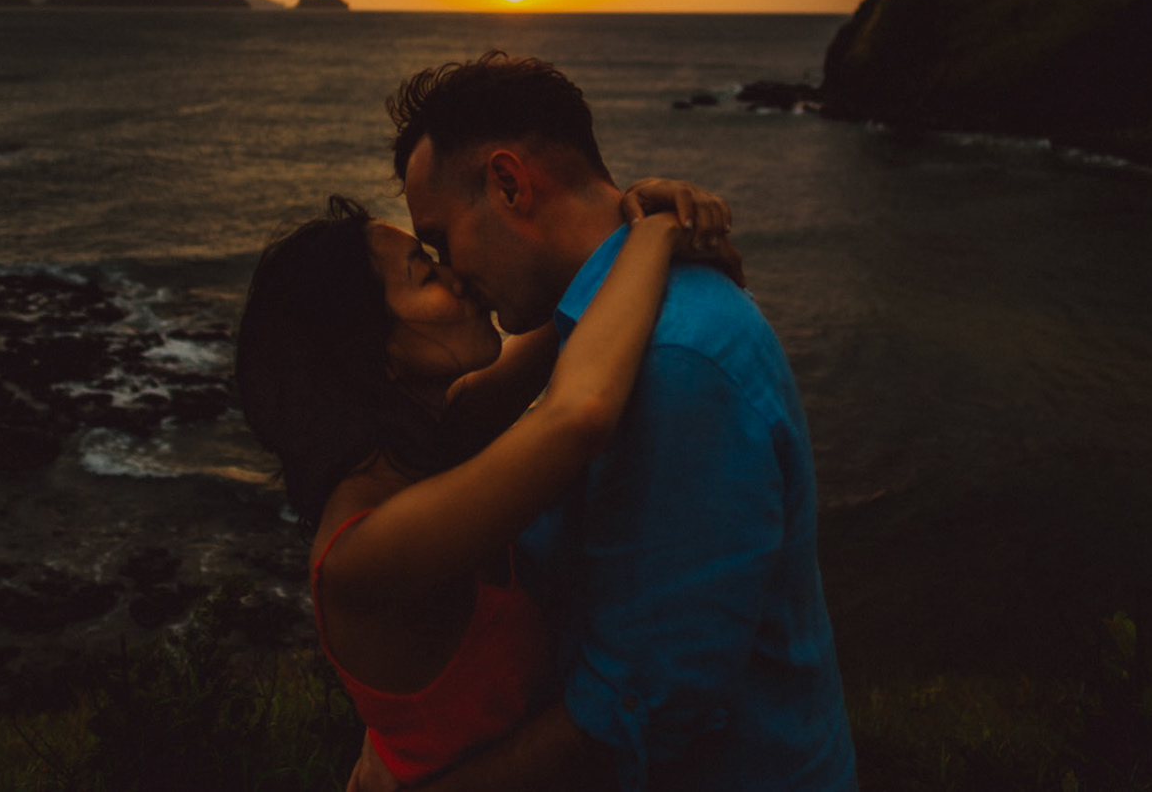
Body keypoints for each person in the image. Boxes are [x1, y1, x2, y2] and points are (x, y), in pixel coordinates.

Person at [365, 52, 857, 792]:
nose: (451, 273)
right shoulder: (595, 332)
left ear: (508, 182)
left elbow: (637, 715)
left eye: (440, 240)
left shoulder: (675, 360)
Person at [235, 181, 737, 786]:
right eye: (427, 275)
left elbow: (577, 314)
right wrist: (656, 235)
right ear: (372, 355)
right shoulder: (364, 552)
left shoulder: (436, 439)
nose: (459, 279)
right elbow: (578, 415)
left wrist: (636, 210)